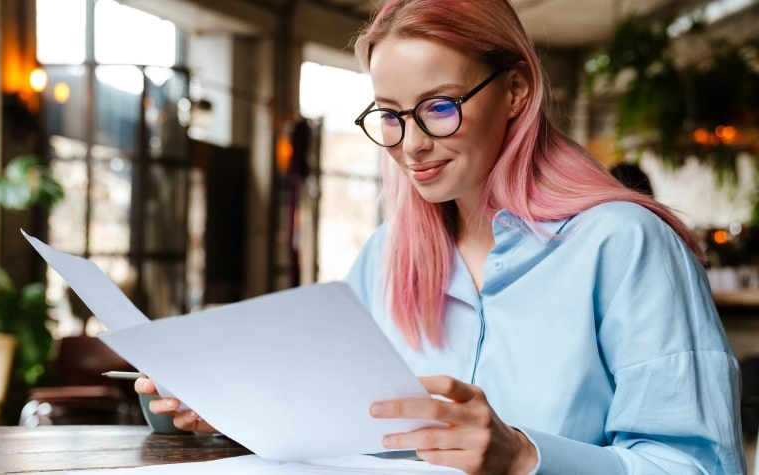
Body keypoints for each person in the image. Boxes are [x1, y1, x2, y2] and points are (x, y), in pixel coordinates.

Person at [135, 0, 745, 473]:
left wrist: (525, 458)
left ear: (517, 91)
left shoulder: (625, 246)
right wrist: (228, 407)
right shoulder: (385, 259)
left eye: (440, 107)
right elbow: (342, 425)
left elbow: (696, 466)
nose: (412, 143)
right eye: (391, 115)